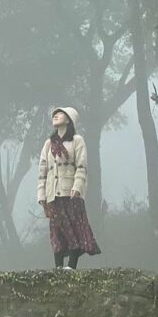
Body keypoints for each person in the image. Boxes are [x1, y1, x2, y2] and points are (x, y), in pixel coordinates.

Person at [37, 106, 101, 269]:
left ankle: (71, 266)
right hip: (53, 194)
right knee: (57, 230)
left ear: (69, 120)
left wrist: (78, 187)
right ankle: (58, 267)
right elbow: (42, 171)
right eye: (54, 115)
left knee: (75, 229)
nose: (55, 116)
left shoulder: (77, 140)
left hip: (71, 193)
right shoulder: (48, 144)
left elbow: (81, 166)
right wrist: (41, 195)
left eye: (60, 114)